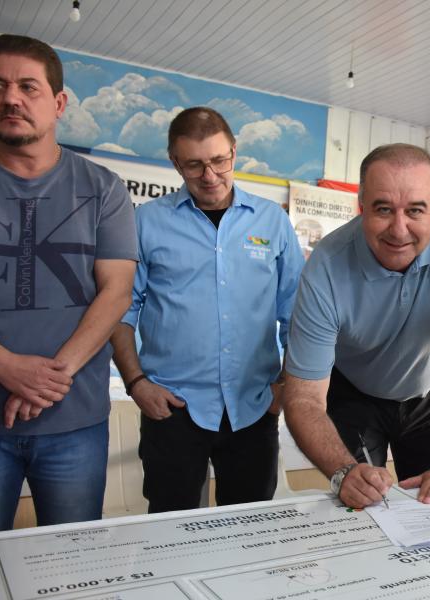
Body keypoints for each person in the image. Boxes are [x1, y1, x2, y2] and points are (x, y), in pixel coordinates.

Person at [281, 143, 430, 509]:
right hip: (356, 395)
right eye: (383, 209)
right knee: (362, 505)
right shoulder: (326, 267)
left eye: (415, 210)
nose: (399, 230)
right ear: (361, 206)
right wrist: (343, 472)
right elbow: (303, 398)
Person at [110, 107, 303, 513]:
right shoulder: (147, 221)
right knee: (170, 527)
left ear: (234, 152)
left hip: (254, 407)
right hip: (172, 409)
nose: (210, 175)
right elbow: (121, 310)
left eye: (219, 160)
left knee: (249, 528)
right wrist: (136, 383)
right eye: (194, 165)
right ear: (175, 162)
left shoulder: (271, 221)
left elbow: (297, 314)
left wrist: (286, 386)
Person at [0, 34, 137, 529]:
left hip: (75, 422)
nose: (11, 98)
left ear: (58, 103)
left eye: (27, 87)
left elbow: (116, 291)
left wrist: (48, 379)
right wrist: (6, 365)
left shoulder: (103, 188)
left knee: (74, 558)